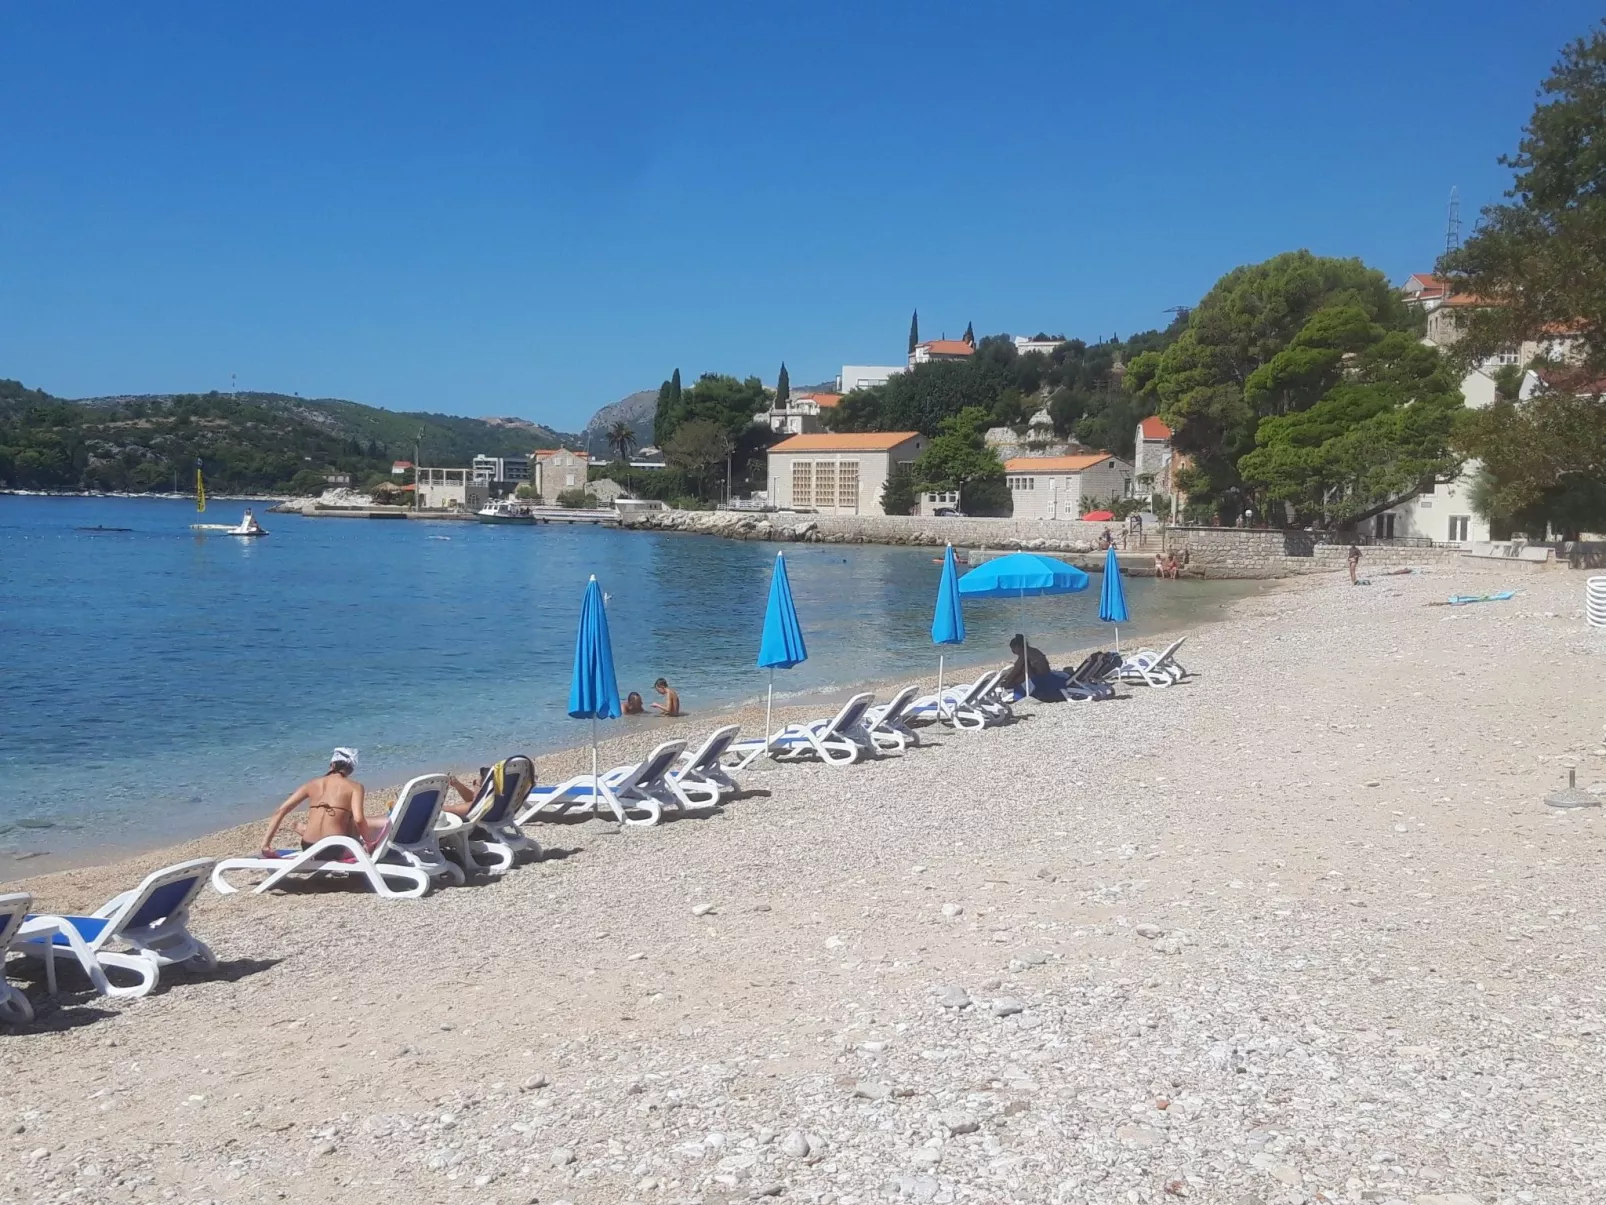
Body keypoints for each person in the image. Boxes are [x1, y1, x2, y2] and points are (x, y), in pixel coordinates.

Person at [258, 748, 380, 856]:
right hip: (336, 848)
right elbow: (359, 820)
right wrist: (369, 842)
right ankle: (304, 829)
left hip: (309, 847)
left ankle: (304, 829)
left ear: (332, 764)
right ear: (351, 769)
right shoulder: (355, 787)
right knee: (350, 818)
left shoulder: (311, 784)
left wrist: (265, 846)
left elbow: (280, 810)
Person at [999, 634, 1063, 702]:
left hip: (1040, 679)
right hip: (1047, 674)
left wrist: (1007, 680)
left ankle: (1013, 687)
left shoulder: (1024, 653)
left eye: (1013, 648)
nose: (1012, 651)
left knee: (1021, 670)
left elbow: (1016, 670)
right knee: (1024, 668)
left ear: (1018, 646)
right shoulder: (1032, 650)